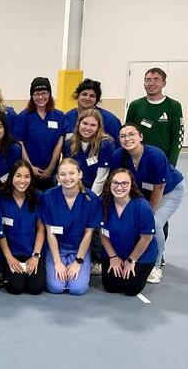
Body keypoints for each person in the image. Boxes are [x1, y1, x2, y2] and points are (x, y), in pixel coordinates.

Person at [110, 123, 184, 283]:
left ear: (141, 137)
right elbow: (115, 181)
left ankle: (156, 266)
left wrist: (148, 212)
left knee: (153, 223)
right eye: (123, 136)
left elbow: (159, 187)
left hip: (169, 191)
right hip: (141, 191)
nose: (127, 139)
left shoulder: (155, 155)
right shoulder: (118, 156)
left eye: (131, 134)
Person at [62, 108, 114, 275]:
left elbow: (102, 176)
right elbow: (66, 167)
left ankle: (97, 260)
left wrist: (89, 197)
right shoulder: (70, 142)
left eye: (93, 125)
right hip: (72, 188)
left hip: (94, 192)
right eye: (85, 123)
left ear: (98, 127)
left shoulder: (105, 144)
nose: (88, 127)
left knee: (94, 225)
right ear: (79, 124)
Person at [40, 158, 102, 295]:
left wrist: (78, 262)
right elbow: (50, 232)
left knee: (77, 289)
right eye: (62, 174)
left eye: (71, 173)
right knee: (56, 287)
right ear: (57, 177)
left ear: (80, 174)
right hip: (57, 247)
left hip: (79, 248)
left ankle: (86, 263)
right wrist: (57, 262)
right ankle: (57, 263)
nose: (67, 178)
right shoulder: (49, 196)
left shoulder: (91, 199)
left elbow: (88, 234)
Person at [100, 169, 157, 296]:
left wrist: (131, 260)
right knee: (110, 287)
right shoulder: (104, 203)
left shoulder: (142, 206)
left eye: (124, 183)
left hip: (140, 255)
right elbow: (102, 233)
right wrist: (113, 257)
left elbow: (146, 238)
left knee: (131, 289)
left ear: (131, 185)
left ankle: (145, 270)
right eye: (115, 183)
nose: (119, 187)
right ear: (109, 184)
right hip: (114, 251)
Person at [0, 160, 46, 295]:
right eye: (18, 176)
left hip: (32, 252)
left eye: (27, 176)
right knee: (15, 287)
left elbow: (41, 229)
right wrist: (9, 258)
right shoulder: (0, 198)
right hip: (10, 253)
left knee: (36, 288)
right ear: (11, 177)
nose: (22, 180)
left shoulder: (38, 197)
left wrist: (36, 256)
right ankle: (3, 271)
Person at [14, 77, 68, 190]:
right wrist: (30, 167)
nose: (40, 97)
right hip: (29, 173)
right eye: (36, 94)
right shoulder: (23, 117)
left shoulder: (59, 116)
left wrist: (51, 167)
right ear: (31, 96)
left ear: (49, 94)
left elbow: (59, 142)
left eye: (44, 93)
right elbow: (20, 143)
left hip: (51, 174)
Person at [126, 68, 184, 166]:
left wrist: (171, 163)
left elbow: (178, 137)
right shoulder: (135, 106)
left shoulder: (174, 106)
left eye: (156, 79)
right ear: (144, 83)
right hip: (138, 158)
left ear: (164, 83)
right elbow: (128, 133)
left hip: (163, 159)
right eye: (148, 80)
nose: (151, 83)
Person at [65, 79, 121, 147]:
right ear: (77, 96)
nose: (87, 98)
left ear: (96, 100)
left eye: (92, 96)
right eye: (84, 94)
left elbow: (118, 146)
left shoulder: (110, 120)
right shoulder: (67, 117)